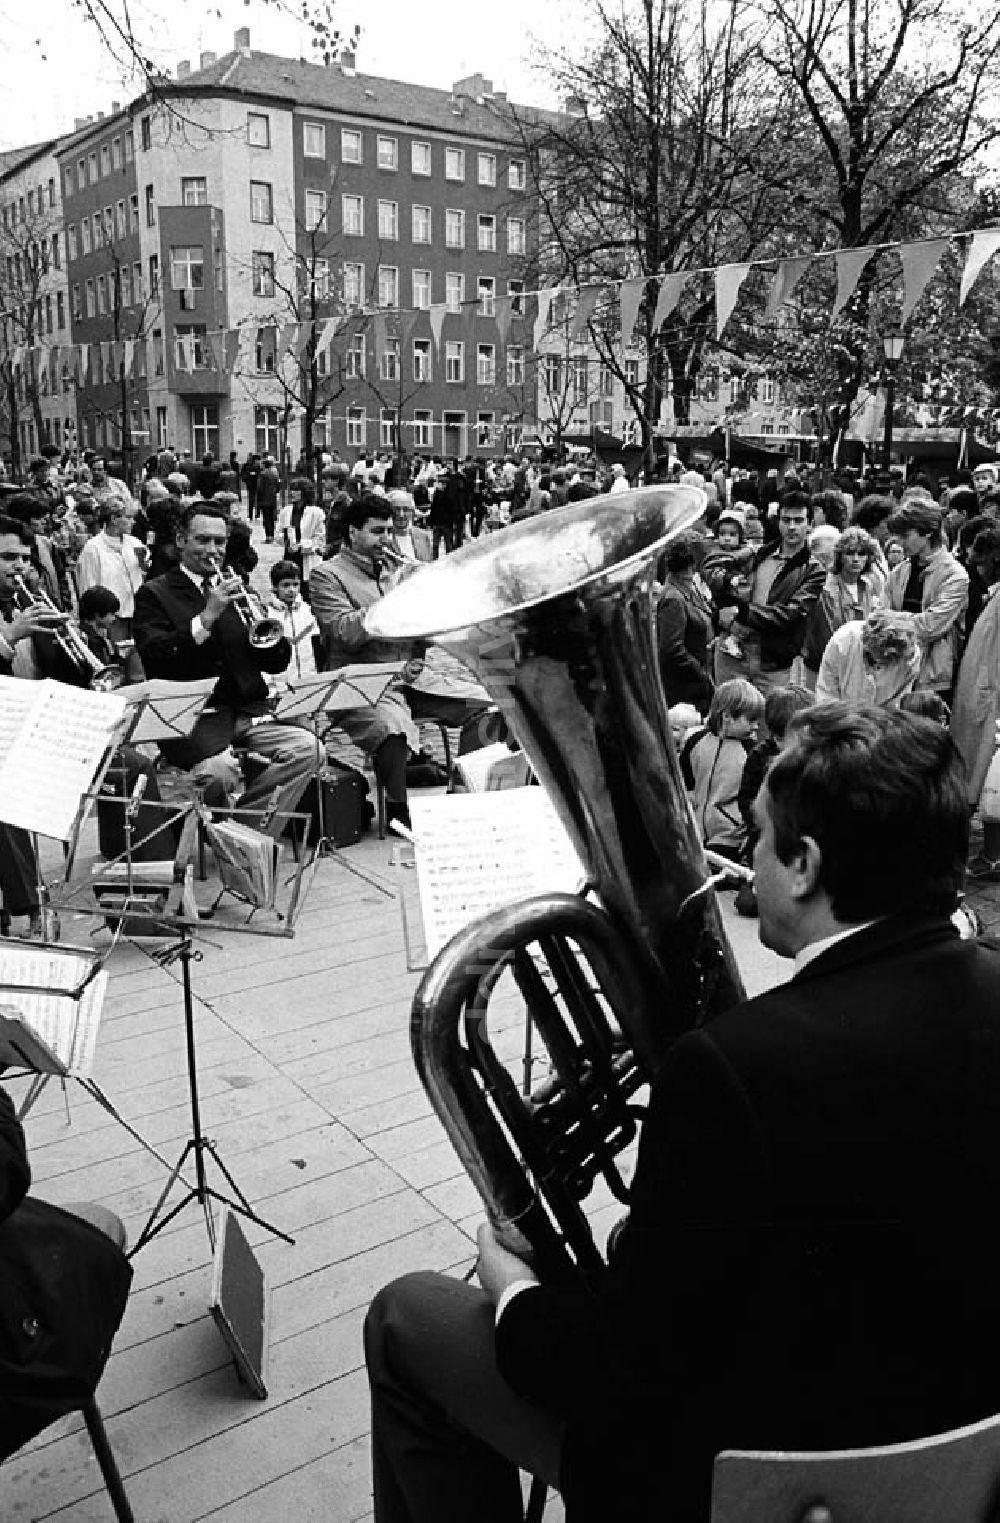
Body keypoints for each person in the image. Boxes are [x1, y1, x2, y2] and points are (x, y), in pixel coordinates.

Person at [365, 704, 1000, 1523]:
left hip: (731, 1482)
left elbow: (624, 1376)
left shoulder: (731, 1068)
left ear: (804, 865)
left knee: (407, 1316)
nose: (742, 858)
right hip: (966, 1462)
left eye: (758, 834)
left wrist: (517, 1291)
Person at [310, 495, 497, 827]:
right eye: (376, 531)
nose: (385, 539)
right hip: (360, 682)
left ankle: (462, 794)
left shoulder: (394, 569)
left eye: (388, 531)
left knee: (485, 705)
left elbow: (420, 631)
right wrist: (397, 597)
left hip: (411, 678)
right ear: (353, 532)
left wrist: (431, 606)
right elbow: (344, 633)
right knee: (391, 728)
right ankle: (399, 810)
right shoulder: (327, 575)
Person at [132, 504, 315, 836]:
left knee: (309, 750)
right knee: (219, 772)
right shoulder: (154, 593)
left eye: (219, 542)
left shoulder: (238, 589)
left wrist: (267, 634)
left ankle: (242, 830)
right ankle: (236, 833)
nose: (213, 551)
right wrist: (207, 617)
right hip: (194, 719)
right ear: (181, 541)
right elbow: (156, 657)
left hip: (246, 712)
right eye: (203, 540)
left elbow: (276, 664)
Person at [714, 492, 825, 695]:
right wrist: (721, 614)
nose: (792, 527)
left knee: (768, 724)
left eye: (798, 520)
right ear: (779, 522)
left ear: (809, 524)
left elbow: (791, 614)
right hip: (732, 652)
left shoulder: (813, 570)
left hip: (772, 663)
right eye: (786, 520)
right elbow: (721, 581)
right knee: (726, 720)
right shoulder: (757, 553)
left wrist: (741, 612)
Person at [951, 526, 1000, 876]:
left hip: (990, 702)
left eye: (980, 563)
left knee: (992, 784)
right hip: (982, 697)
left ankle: (993, 855)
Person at [886, 500, 968, 697]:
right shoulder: (900, 571)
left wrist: (891, 620)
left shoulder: (955, 575)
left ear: (928, 532)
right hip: (896, 671)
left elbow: (931, 626)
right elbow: (880, 611)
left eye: (906, 535)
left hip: (933, 679)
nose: (899, 542)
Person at [678, 677, 764, 858]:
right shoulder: (696, 741)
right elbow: (684, 777)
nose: (756, 727)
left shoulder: (751, 752)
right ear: (727, 716)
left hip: (732, 836)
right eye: (751, 720)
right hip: (698, 832)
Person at [799, 525, 881, 690]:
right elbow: (826, 633)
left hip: (858, 664)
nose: (856, 559)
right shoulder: (826, 587)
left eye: (862, 554)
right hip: (823, 664)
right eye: (850, 553)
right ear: (840, 557)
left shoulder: (868, 586)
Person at [74, 500, 146, 679]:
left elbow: (143, 575)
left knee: (138, 666)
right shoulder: (93, 548)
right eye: (128, 518)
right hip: (110, 617)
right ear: (114, 519)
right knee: (115, 667)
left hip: (136, 612)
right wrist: (95, 620)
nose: (133, 522)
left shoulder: (135, 543)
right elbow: (88, 587)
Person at [656, 532, 714, 711]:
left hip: (696, 683)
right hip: (686, 690)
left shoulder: (687, 587)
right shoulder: (673, 598)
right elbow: (672, 649)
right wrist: (701, 673)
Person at [815, 609, 920, 708]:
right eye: (873, 661)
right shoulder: (843, 641)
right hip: (839, 715)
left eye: (883, 664)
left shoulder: (910, 658)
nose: (876, 667)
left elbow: (898, 704)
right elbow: (826, 693)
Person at [268, 560, 320, 679]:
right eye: (286, 585)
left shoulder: (308, 610)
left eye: (295, 584)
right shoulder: (268, 615)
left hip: (309, 677)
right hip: (281, 681)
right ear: (275, 587)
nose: (292, 590)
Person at [276, 477, 326, 599]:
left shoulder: (316, 513)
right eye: (291, 490)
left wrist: (302, 545)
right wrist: (287, 541)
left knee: (307, 592)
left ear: (305, 492)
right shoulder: (286, 511)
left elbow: (320, 540)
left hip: (307, 558)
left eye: (296, 490)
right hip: (290, 556)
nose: (292, 493)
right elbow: (278, 533)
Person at [255, 455, 280, 544]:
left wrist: (258, 498)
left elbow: (259, 488)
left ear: (264, 465)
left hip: (264, 500)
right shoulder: (274, 474)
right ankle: (272, 535)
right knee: (272, 518)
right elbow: (278, 487)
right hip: (272, 499)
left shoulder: (262, 474)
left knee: (266, 518)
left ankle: (268, 536)